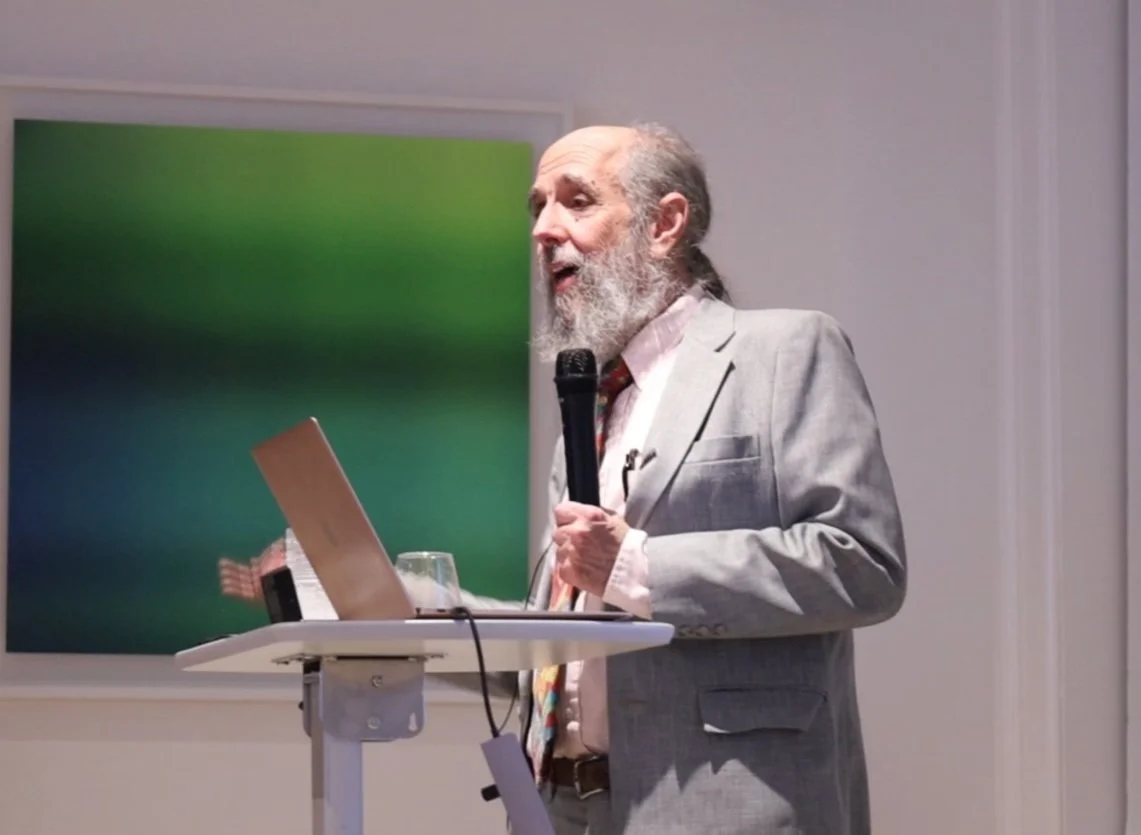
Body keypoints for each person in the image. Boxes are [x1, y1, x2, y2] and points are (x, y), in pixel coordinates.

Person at [222, 123, 907, 835]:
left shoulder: (784, 350)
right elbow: (564, 649)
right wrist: (383, 601)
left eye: (575, 201)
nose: (544, 230)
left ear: (664, 223)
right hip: (565, 807)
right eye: (537, 208)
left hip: (725, 806)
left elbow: (862, 563)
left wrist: (638, 564)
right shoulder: (592, 405)